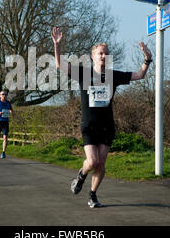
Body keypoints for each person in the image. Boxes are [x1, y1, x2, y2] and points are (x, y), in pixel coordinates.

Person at [51, 26, 152, 208]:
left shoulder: (114, 76)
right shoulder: (83, 72)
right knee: (92, 161)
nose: (103, 56)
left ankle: (93, 194)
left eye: (106, 53)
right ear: (93, 56)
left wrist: (147, 59)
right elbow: (59, 65)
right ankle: (81, 176)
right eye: (100, 53)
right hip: (88, 125)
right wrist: (57, 46)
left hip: (107, 125)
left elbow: (139, 75)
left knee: (101, 164)